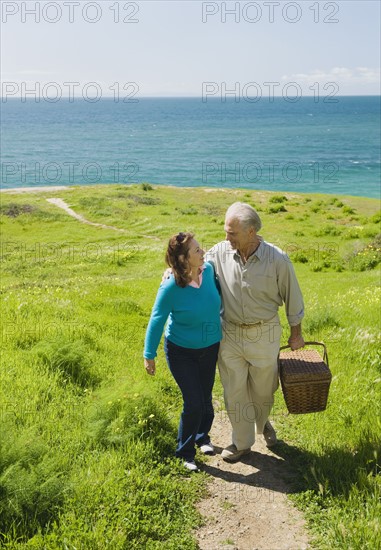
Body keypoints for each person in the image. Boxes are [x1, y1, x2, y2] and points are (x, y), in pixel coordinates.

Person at [205, 202, 305, 462]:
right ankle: (241, 443)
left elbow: (292, 296)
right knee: (234, 390)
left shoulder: (278, 259)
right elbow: (196, 268)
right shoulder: (219, 252)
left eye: (232, 233)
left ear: (251, 232)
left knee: (264, 390)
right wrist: (172, 273)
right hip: (230, 332)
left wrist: (297, 333)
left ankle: (263, 422)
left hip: (265, 333)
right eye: (226, 231)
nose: (227, 238)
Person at [143, 232, 222, 472]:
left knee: (206, 396)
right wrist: (149, 354)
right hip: (181, 351)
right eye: (197, 250)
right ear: (184, 259)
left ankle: (202, 437)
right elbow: (157, 319)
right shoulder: (170, 285)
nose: (203, 252)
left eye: (200, 248)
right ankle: (185, 452)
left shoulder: (208, 272)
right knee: (194, 401)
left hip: (209, 346)